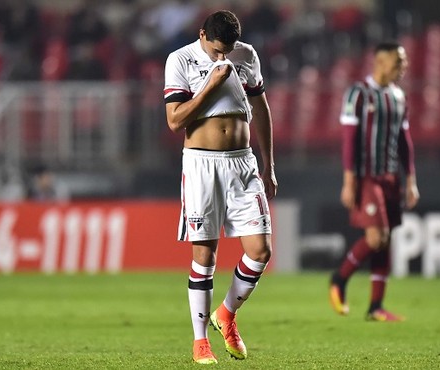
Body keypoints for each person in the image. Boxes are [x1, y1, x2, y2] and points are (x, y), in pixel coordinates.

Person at [163, 10, 277, 364]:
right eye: (216, 50)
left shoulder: (247, 55)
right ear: (202, 35)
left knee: (260, 251)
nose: (222, 57)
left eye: (228, 49)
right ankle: (200, 342)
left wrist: (269, 164)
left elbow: (260, 106)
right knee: (205, 255)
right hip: (201, 164)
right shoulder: (180, 59)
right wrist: (210, 85)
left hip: (243, 162)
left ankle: (226, 314)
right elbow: (174, 119)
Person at [329, 41, 419, 322]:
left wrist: (411, 179)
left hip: (391, 176)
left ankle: (376, 307)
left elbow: (405, 141)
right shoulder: (358, 93)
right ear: (380, 63)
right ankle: (339, 279)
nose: (402, 68)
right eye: (398, 62)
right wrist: (349, 180)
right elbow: (349, 140)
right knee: (375, 237)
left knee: (386, 239)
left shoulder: (398, 96)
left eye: (403, 62)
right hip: (367, 176)